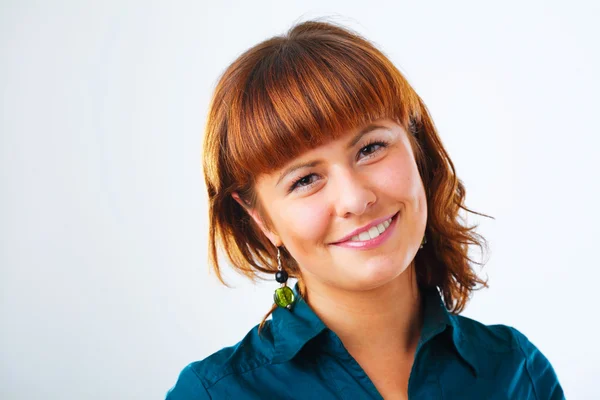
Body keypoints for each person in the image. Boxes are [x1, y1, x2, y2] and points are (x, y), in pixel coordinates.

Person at [166, 20, 564, 399]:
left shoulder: (517, 371)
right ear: (261, 220)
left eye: (370, 149)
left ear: (416, 148)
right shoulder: (214, 394)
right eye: (305, 180)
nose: (356, 199)